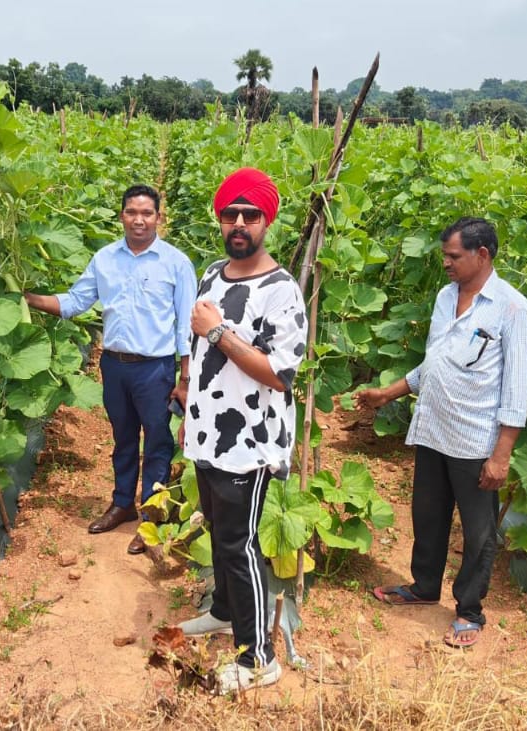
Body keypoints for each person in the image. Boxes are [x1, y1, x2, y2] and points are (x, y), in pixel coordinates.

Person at [355, 216, 527, 649]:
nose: (446, 264)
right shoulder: (444, 297)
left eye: (453, 257)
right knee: (428, 516)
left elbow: (518, 387)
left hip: (476, 438)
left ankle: (469, 610)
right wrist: (389, 393)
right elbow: (435, 363)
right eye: (444, 256)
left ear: (482, 255)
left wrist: (501, 454)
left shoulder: (512, 309)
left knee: (478, 532)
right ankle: (423, 587)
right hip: (434, 428)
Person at [175, 167, 307, 693]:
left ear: (266, 222)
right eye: (231, 213)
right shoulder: (212, 273)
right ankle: (226, 612)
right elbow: (199, 343)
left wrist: (220, 332)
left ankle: (259, 659)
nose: (239, 222)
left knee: (240, 543)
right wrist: (189, 387)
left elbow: (279, 372)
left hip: (249, 442)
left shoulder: (281, 290)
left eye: (251, 215)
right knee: (219, 531)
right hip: (207, 431)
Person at [23, 185, 196, 555]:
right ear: (121, 216)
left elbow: (185, 325)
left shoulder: (176, 263)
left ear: (158, 218)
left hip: (156, 368)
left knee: (158, 442)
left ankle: (152, 516)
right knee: (123, 438)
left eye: (146, 213)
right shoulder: (104, 259)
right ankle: (122, 503)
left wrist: (185, 378)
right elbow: (75, 301)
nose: (139, 219)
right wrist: (26, 299)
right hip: (115, 366)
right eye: (132, 212)